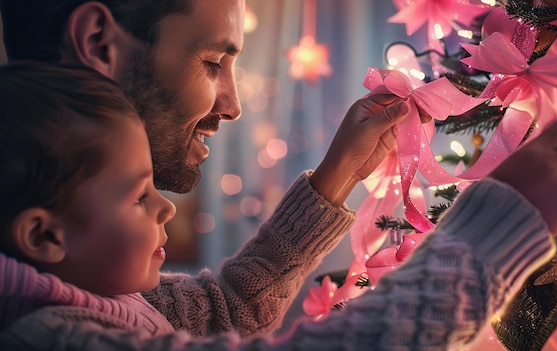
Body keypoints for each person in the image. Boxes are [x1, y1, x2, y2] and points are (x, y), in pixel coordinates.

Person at [0, 61, 557, 350]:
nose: (164, 209)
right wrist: (500, 225)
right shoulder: (49, 338)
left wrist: (337, 174)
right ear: (44, 236)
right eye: (138, 195)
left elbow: (229, 307)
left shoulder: (111, 302)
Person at [0, 0, 416, 340]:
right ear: (97, 42)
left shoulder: (82, 274)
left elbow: (226, 312)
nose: (233, 106)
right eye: (214, 61)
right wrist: (476, 232)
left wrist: (340, 170)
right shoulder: (52, 328)